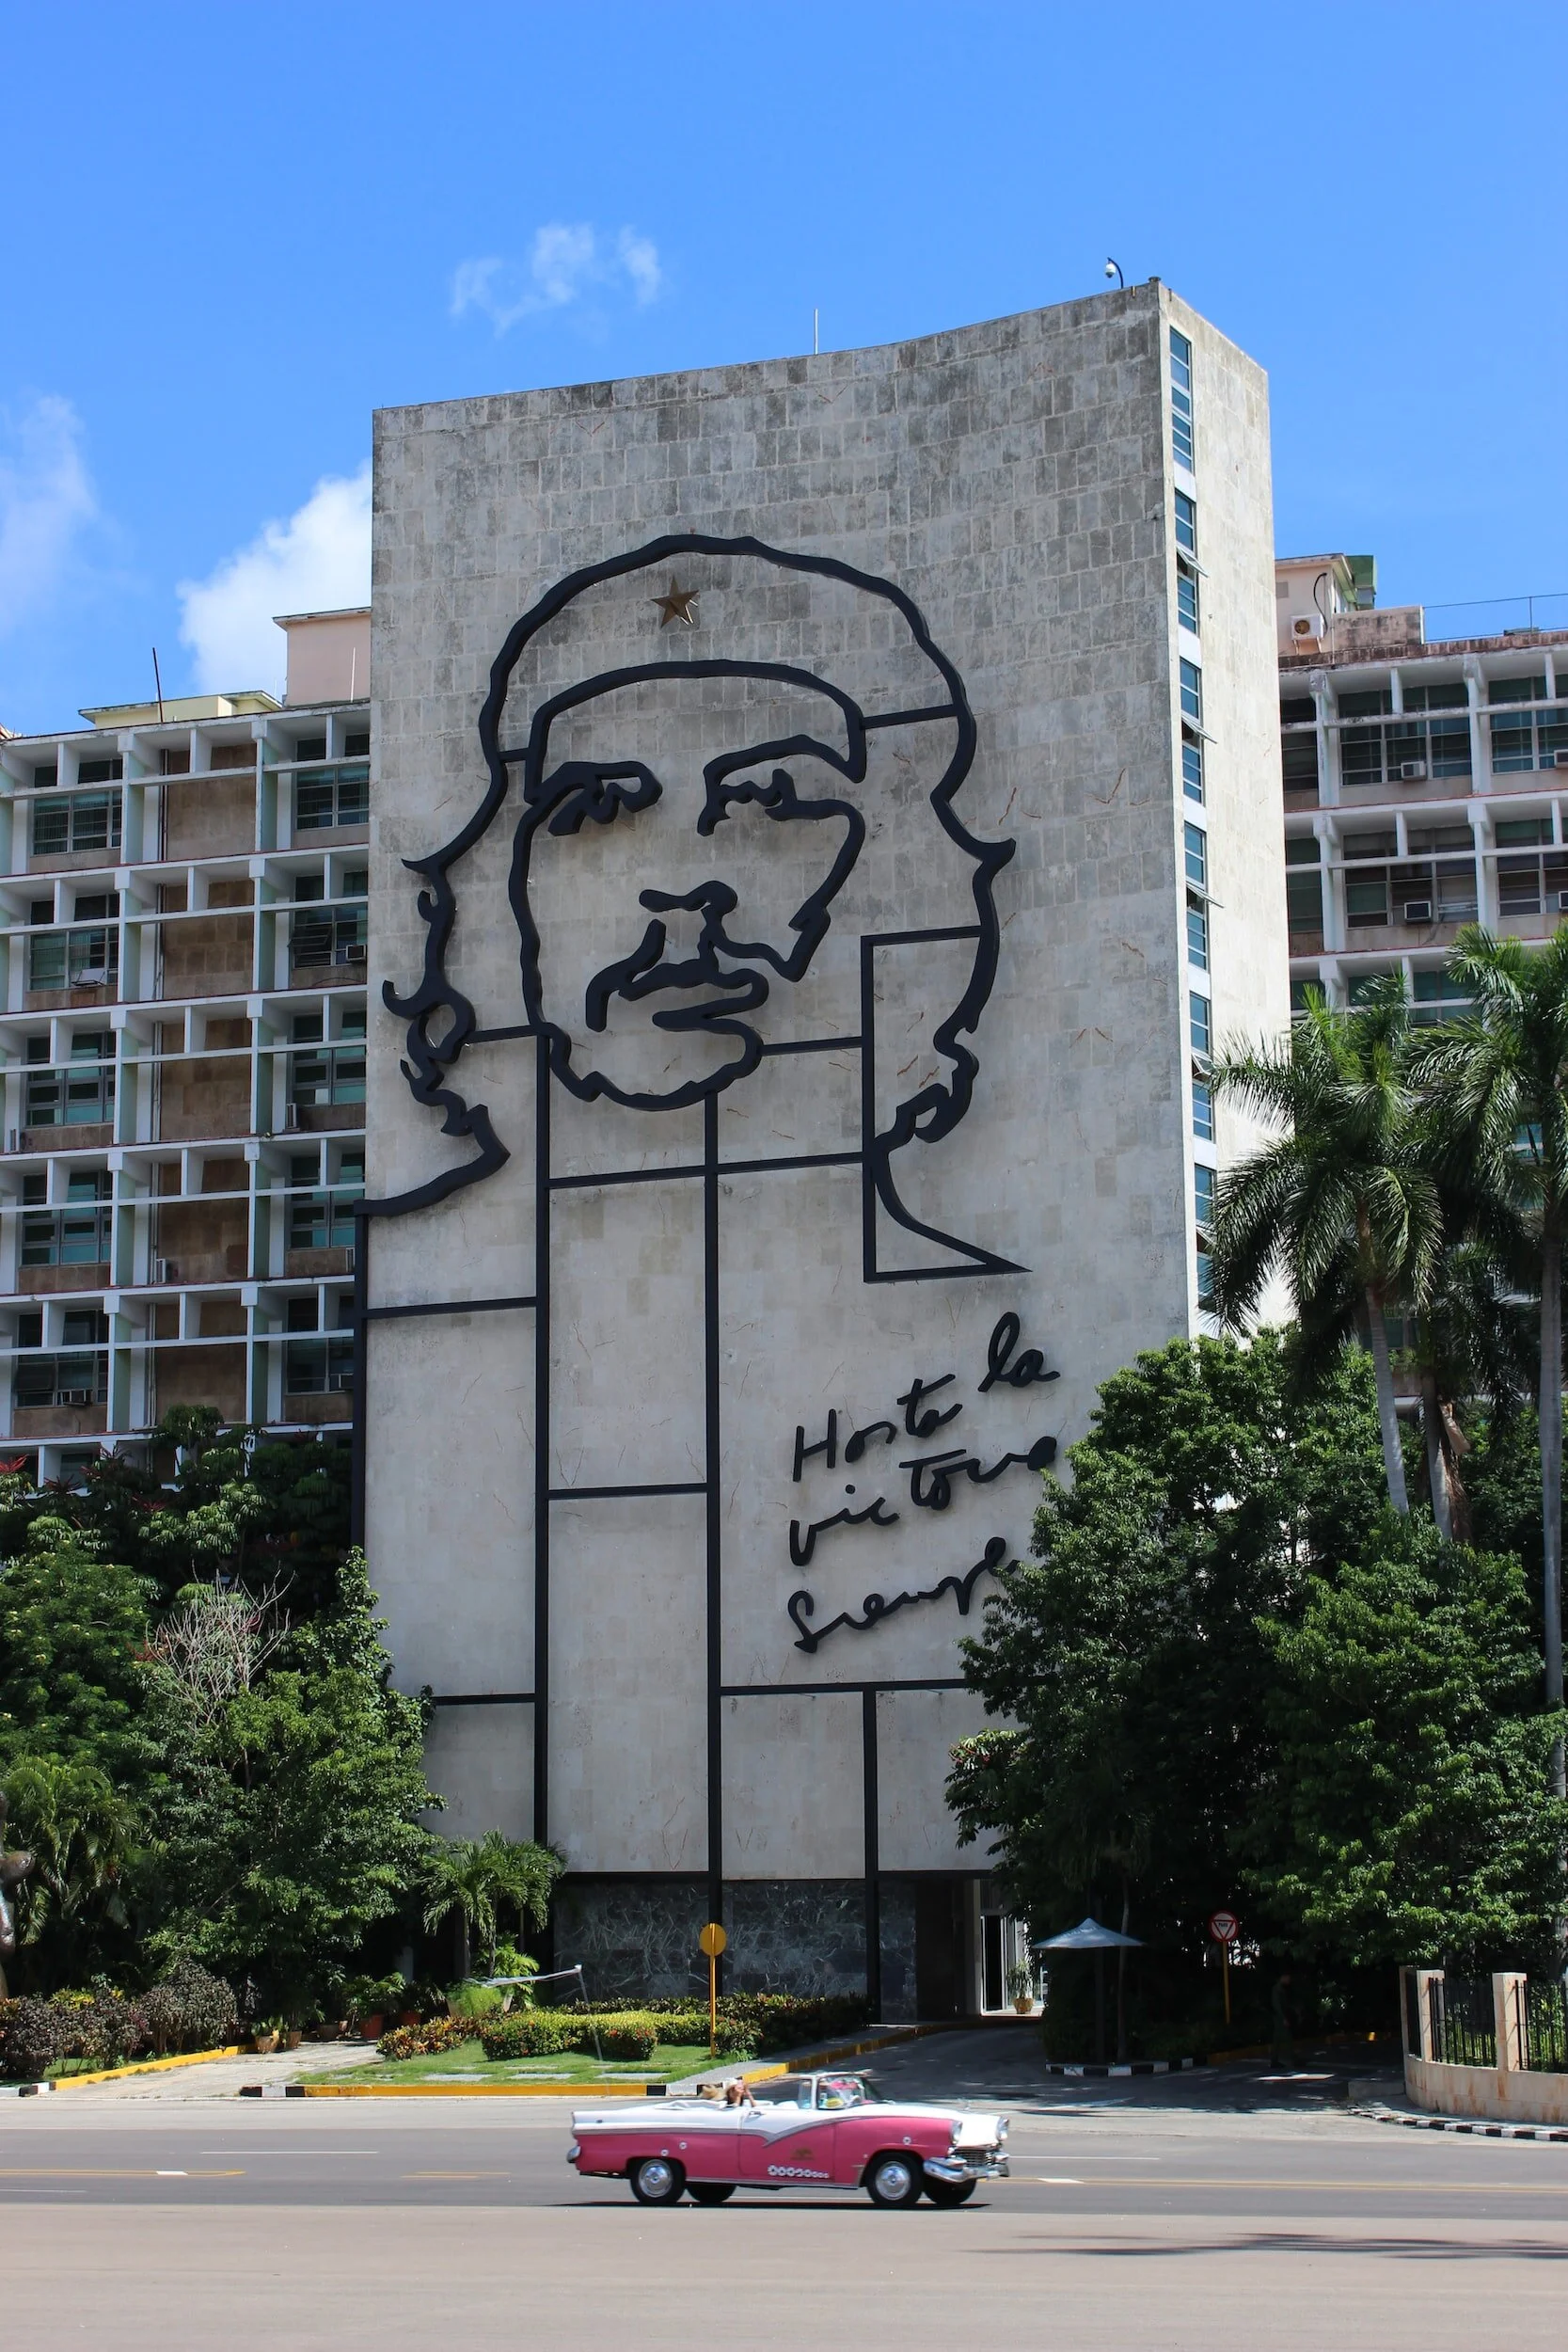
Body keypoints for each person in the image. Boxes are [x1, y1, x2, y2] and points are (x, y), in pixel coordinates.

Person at [1271, 1967, 1295, 2071]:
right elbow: (1277, 2005)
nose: (1289, 1980)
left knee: (1277, 2040)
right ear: (1283, 1977)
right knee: (1287, 2038)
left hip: (1279, 2017)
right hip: (1279, 2017)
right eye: (1288, 1978)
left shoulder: (1281, 1989)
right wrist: (1283, 2018)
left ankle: (1274, 2061)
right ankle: (1294, 2060)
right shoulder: (1277, 1990)